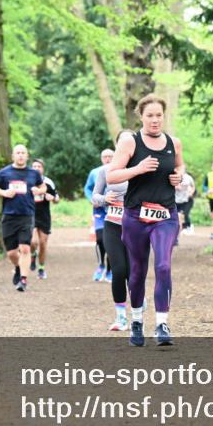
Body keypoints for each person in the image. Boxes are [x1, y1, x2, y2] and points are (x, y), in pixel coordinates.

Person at [107, 94, 184, 347]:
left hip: (165, 215)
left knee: (163, 266)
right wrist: (138, 168)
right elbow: (112, 176)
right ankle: (137, 320)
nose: (155, 120)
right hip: (135, 216)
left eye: (159, 115)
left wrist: (179, 176)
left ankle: (162, 324)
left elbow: (180, 167)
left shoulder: (174, 142)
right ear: (141, 116)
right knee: (137, 271)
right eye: (149, 115)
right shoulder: (130, 141)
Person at [92, 130, 135, 332]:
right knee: (118, 270)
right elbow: (95, 196)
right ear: (118, 145)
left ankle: (137, 306)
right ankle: (121, 317)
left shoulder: (141, 169)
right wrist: (104, 199)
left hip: (136, 227)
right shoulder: (105, 170)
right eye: (122, 141)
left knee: (134, 272)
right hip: (112, 224)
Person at [0, 145, 45, 292]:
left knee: (25, 248)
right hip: (9, 215)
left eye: (23, 153)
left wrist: (38, 190)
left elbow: (43, 187)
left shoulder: (34, 173)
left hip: (27, 215)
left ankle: (23, 280)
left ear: (27, 156)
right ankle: (18, 267)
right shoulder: (4, 172)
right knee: (11, 253)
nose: (20, 155)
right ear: (13, 156)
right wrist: (4, 193)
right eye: (18, 153)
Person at [84, 148, 114, 282]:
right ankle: (101, 265)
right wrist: (92, 199)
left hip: (114, 210)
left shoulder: (120, 171)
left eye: (110, 156)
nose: (107, 159)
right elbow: (87, 188)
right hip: (100, 211)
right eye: (105, 156)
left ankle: (110, 270)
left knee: (112, 241)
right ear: (101, 158)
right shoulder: (95, 172)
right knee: (100, 239)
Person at [29, 159, 59, 280]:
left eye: (39, 166)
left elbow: (56, 198)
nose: (36, 168)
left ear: (43, 169)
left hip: (44, 216)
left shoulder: (48, 182)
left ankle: (41, 268)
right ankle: (32, 254)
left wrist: (53, 198)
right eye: (34, 166)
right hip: (30, 215)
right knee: (32, 242)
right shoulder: (27, 181)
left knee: (42, 243)